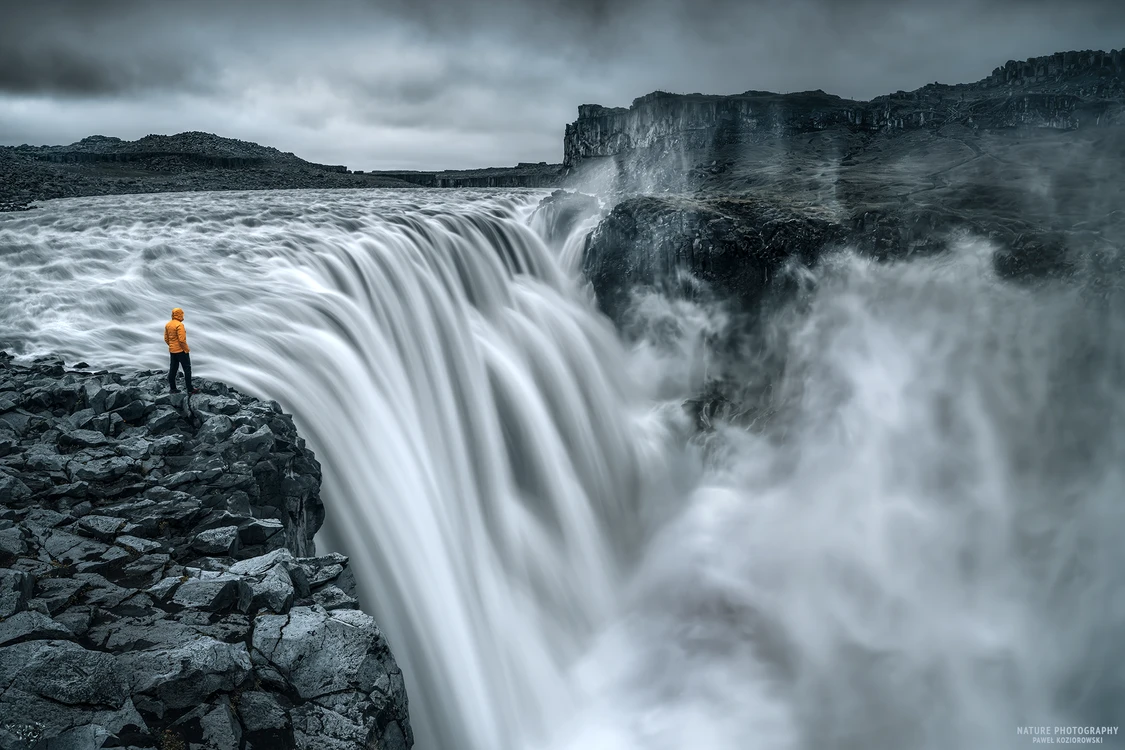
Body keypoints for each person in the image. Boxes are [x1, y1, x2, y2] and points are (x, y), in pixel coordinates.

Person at [164, 307, 199, 394]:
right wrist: (186, 350)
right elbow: (182, 340)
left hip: (172, 351)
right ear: (179, 315)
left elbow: (166, 339)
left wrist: (171, 346)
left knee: (173, 369)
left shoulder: (168, 325)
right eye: (182, 314)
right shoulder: (179, 325)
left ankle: (173, 388)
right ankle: (190, 389)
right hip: (181, 351)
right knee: (187, 369)